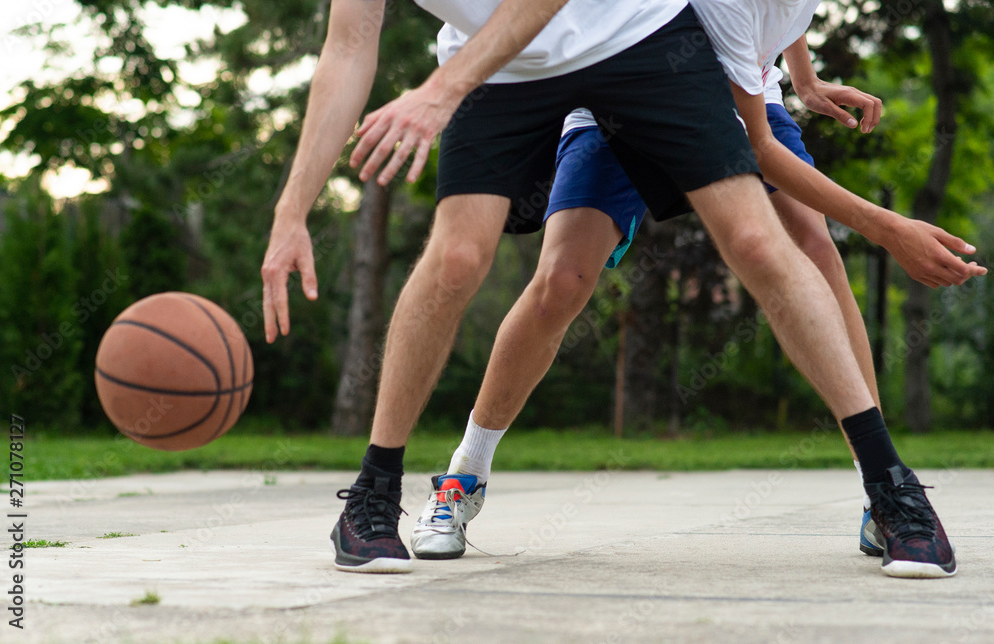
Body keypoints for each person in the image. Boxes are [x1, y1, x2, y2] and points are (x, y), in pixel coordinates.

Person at [261, 0, 978, 577]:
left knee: (763, 242)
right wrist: (292, 212)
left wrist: (438, 92)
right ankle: (381, 490)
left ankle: (889, 487)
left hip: (636, 38)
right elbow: (346, 50)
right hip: (498, 67)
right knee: (470, 262)